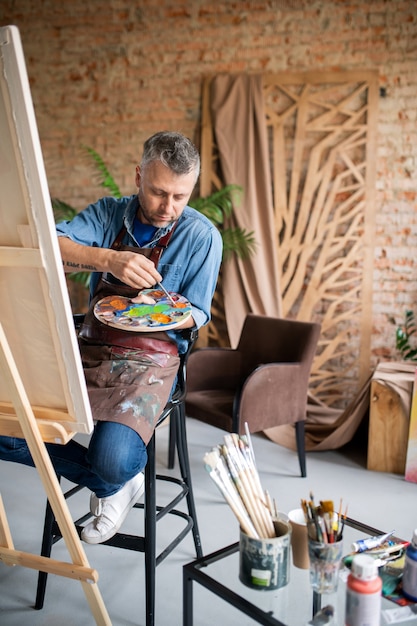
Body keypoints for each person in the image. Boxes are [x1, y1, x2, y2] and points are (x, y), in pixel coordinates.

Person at [0, 131, 222, 544]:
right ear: (138, 176)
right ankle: (114, 487)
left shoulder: (202, 237)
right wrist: (108, 259)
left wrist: (161, 314)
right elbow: (49, 247)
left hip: (153, 362)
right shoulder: (108, 214)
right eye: (158, 193)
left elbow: (198, 314)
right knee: (7, 430)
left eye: (180, 196)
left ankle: (113, 476)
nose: (167, 207)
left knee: (113, 458)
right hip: (90, 347)